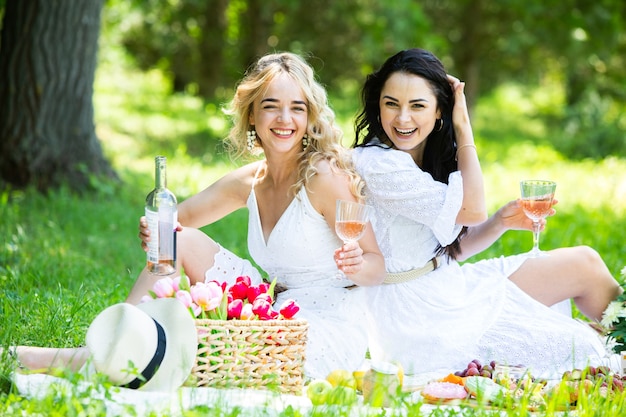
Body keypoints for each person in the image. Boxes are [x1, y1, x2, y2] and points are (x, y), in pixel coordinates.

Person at [9, 52, 386, 382]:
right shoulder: (250, 180)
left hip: (322, 323)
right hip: (271, 304)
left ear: (309, 117)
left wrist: (356, 264)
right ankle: (123, 333)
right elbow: (176, 225)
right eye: (271, 105)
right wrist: (155, 231)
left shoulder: (323, 176)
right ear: (252, 114)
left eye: (297, 108)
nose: (284, 118)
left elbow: (375, 265)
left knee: (203, 354)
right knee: (179, 241)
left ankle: (80, 357)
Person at [351, 48, 622, 378]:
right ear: (378, 107)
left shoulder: (422, 157)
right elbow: (473, 210)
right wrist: (463, 127)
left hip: (449, 285)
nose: (402, 118)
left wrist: (500, 223)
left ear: (438, 111)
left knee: (585, 263)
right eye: (391, 103)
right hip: (417, 319)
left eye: (417, 105)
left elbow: (446, 251)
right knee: (583, 347)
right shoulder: (379, 164)